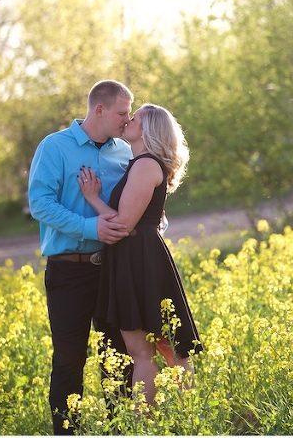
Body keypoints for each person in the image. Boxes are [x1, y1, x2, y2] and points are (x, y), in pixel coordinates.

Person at [77, 103, 204, 406]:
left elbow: (123, 224)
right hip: (134, 258)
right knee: (155, 349)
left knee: (157, 351)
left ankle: (169, 420)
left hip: (139, 260)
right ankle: (168, 421)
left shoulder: (146, 165)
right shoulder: (141, 163)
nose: (128, 120)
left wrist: (93, 198)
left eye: (136, 117)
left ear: (149, 130)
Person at [27, 79, 135, 434]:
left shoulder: (125, 151)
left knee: (116, 359)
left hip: (114, 272)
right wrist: (91, 229)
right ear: (99, 109)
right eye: (122, 112)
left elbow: (135, 198)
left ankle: (117, 430)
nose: (127, 118)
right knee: (69, 362)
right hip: (69, 272)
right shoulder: (55, 147)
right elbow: (40, 204)